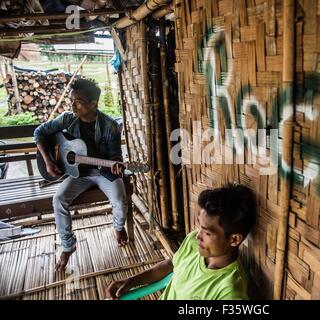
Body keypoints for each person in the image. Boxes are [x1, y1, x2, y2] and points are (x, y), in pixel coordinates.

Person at [34, 78, 128, 271]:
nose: (72, 105)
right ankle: (68, 246)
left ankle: (118, 228)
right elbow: (39, 133)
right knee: (58, 199)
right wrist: (49, 160)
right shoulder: (68, 119)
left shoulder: (110, 126)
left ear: (93, 104)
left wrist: (116, 164)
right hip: (77, 174)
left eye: (78, 101)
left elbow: (115, 155)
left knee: (119, 200)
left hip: (104, 172)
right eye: (71, 100)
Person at [106, 183, 257, 300]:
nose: (198, 236)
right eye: (200, 227)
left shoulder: (229, 291)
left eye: (207, 232)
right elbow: (171, 264)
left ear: (234, 239)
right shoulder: (193, 242)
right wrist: (131, 281)